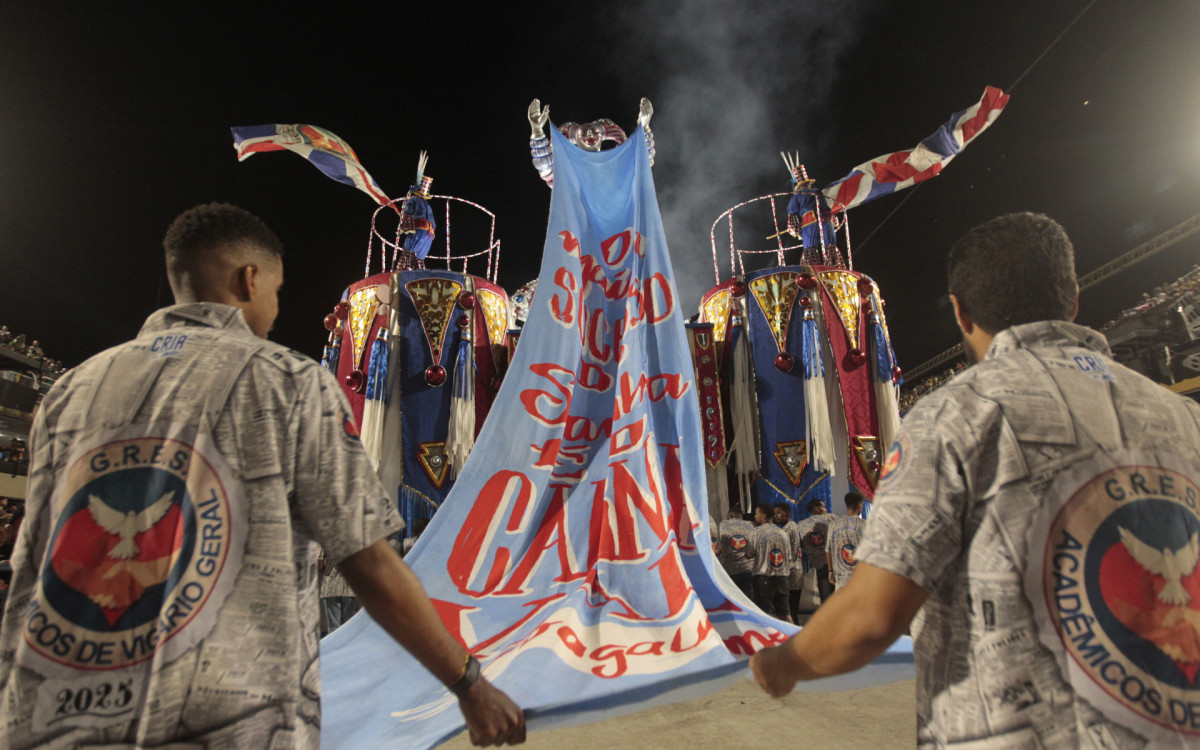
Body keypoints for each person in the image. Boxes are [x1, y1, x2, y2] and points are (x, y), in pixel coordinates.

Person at [0, 203, 524, 748]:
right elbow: (369, 562)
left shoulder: (69, 393)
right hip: (226, 715)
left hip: (56, 714)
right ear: (249, 279)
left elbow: (34, 559)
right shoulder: (286, 385)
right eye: (275, 291)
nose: (274, 309)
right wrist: (469, 683)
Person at [751, 212, 1200, 746]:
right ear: (1073, 299)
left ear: (961, 315)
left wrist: (783, 664)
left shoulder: (956, 416)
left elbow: (871, 617)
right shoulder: (1181, 418)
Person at [749, 503, 792, 622]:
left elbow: (749, 554)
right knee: (785, 614)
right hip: (782, 577)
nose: (754, 517)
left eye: (756, 514)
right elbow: (788, 555)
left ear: (763, 516)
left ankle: (767, 640)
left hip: (764, 578)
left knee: (763, 615)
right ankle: (794, 637)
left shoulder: (756, 532)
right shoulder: (783, 533)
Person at [792, 498, 833, 607]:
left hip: (820, 566)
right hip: (836, 565)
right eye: (824, 507)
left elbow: (800, 545)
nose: (826, 509)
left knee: (826, 602)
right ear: (817, 509)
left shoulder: (801, 524)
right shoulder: (831, 518)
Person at [824, 492, 865, 590]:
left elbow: (828, 550)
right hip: (861, 577)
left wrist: (830, 571)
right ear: (859, 505)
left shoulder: (834, 524)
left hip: (841, 578)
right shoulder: (865, 525)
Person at [772, 502, 803, 622]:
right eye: (775, 514)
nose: (777, 516)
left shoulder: (789, 528)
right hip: (791, 572)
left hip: (792, 573)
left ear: (787, 513)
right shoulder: (786, 528)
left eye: (779, 513)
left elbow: (789, 553)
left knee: (791, 609)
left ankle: (794, 634)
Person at [717, 509, 756, 599]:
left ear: (730, 516)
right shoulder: (751, 525)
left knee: (735, 599)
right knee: (748, 599)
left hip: (731, 569)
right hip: (748, 568)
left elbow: (721, 548)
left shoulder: (723, 524)